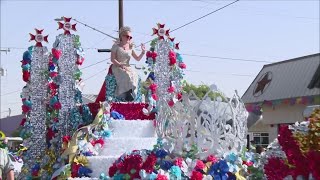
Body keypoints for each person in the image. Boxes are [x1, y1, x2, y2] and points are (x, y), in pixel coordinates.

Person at [110, 26, 146, 101]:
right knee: (126, 74)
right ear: (122, 36)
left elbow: (137, 58)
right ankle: (125, 94)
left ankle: (131, 93)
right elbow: (112, 59)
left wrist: (143, 52)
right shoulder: (116, 46)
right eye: (127, 36)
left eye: (130, 37)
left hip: (128, 66)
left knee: (134, 74)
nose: (129, 38)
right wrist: (120, 65)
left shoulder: (130, 47)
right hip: (117, 66)